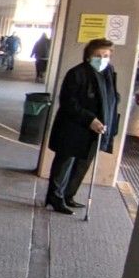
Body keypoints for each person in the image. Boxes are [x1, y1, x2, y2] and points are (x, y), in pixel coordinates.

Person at [46, 38, 119, 214]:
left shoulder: (109, 73)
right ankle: (55, 197)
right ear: (88, 56)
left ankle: (68, 195)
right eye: (98, 55)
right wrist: (90, 119)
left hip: (96, 129)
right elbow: (68, 102)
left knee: (82, 164)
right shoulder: (77, 74)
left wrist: (108, 121)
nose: (102, 59)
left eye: (106, 55)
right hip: (74, 127)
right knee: (65, 162)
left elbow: (112, 99)